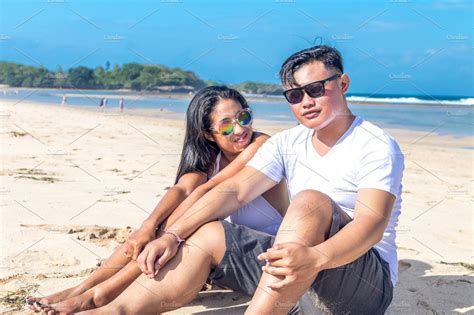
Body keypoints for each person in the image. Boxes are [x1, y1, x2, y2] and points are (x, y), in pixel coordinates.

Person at [76, 45, 404, 315]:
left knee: (309, 201)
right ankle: (113, 311)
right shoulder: (287, 143)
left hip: (359, 287)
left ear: (342, 84)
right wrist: (171, 236)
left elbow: (371, 226)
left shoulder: (375, 144)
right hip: (292, 276)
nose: (306, 101)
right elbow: (234, 189)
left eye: (316, 89)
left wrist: (315, 258)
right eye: (294, 95)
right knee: (208, 231)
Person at [26, 86, 289, 314]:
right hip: (225, 254)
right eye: (227, 125)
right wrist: (148, 225)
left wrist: (167, 231)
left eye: (244, 117)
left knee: (183, 221)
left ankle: (100, 295)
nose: (240, 128)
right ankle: (84, 288)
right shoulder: (213, 158)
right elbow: (183, 190)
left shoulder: (263, 144)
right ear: (208, 135)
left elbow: (213, 189)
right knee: (162, 225)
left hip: (261, 250)